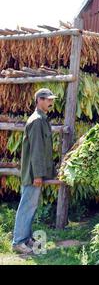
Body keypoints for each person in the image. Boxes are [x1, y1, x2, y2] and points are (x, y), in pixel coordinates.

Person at [12, 89, 57, 255]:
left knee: (31, 206)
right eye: (48, 100)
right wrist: (38, 174)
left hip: (34, 172)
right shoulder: (37, 121)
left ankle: (26, 238)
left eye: (52, 100)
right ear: (39, 100)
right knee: (27, 206)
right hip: (32, 174)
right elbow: (37, 150)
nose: (51, 102)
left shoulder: (42, 119)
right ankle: (18, 242)